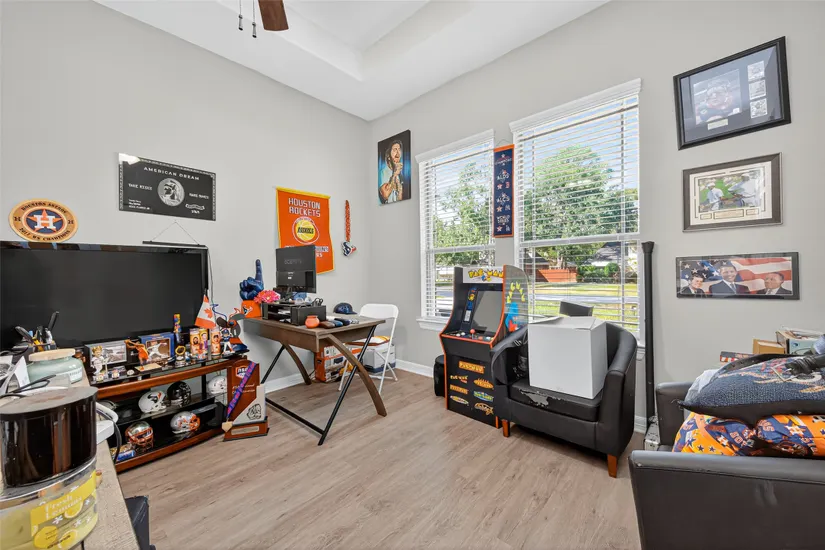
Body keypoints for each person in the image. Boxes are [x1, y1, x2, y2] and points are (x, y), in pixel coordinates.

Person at [379, 139, 407, 204]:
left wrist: (399, 187)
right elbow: (385, 195)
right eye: (394, 150)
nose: (398, 153)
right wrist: (394, 175)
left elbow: (399, 200)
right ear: (388, 156)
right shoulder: (382, 173)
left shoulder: (399, 176)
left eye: (399, 149)